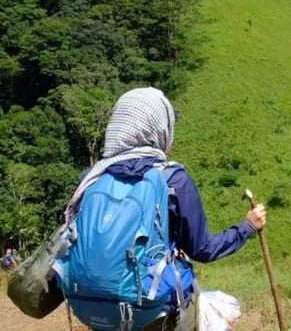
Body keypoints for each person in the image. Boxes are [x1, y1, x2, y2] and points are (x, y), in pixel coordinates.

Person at [64, 87, 266, 330]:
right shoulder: (172, 179)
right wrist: (247, 227)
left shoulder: (92, 178)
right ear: (160, 129)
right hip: (150, 311)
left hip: (93, 307)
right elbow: (203, 249)